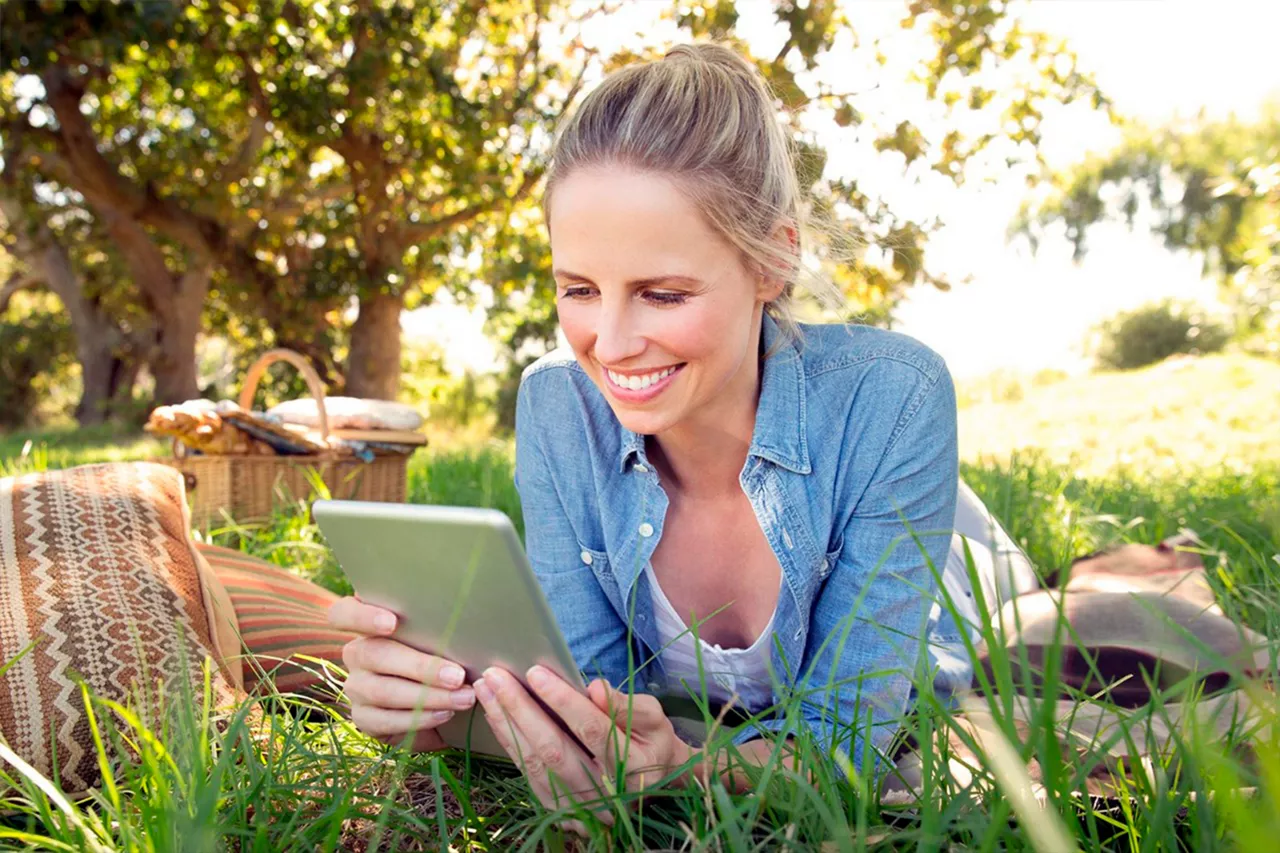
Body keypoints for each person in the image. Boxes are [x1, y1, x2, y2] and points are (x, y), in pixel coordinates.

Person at [328, 43, 1035, 813]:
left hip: (952, 565)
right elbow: (589, 707)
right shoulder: (559, 406)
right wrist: (430, 712)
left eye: (662, 294)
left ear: (773, 263)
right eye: (579, 289)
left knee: (1032, 600)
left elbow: (851, 743)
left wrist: (688, 767)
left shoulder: (896, 396)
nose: (611, 340)